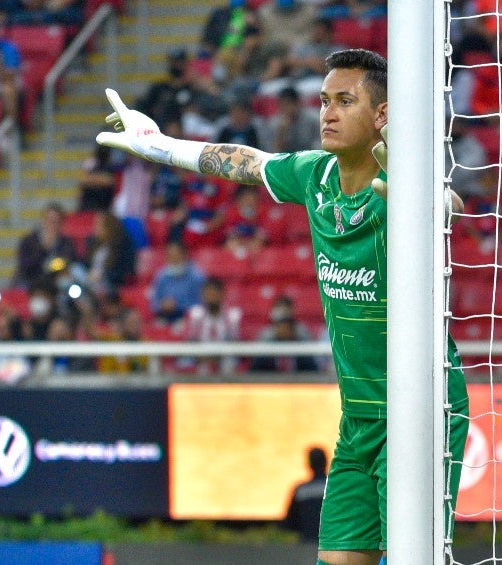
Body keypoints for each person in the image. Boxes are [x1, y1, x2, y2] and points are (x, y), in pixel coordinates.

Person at [95, 48, 469, 564]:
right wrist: (158, 145)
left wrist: (416, 194)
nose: (328, 113)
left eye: (344, 100)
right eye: (323, 101)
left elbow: (452, 207)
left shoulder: (404, 188)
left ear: (382, 115)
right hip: (360, 418)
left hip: (422, 411)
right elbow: (246, 162)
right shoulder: (313, 176)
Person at [10, 204, 77, 289]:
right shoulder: (28, 241)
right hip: (30, 280)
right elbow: (24, 266)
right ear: (43, 220)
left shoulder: (65, 243)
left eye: (56, 222)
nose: (52, 225)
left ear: (61, 224)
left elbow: (70, 261)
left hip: (55, 282)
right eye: (50, 221)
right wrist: (43, 249)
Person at [150, 241, 205, 324]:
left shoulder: (196, 277)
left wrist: (178, 305)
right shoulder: (161, 276)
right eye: (170, 257)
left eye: (176, 257)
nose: (173, 260)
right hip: (164, 316)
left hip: (187, 318)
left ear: (185, 256)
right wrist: (162, 305)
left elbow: (201, 304)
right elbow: (154, 302)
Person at [283, 446, 329, 542]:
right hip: (331, 545)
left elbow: (289, 524)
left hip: (306, 544)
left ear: (309, 465)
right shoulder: (335, 488)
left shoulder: (300, 490)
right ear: (326, 463)